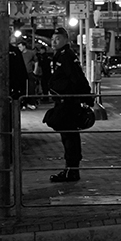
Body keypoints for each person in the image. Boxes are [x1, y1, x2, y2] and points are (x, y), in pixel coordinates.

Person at [46, 28, 90, 183]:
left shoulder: (67, 56)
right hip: (63, 101)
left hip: (68, 103)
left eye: (57, 38)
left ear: (66, 40)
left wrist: (87, 97)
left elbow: (77, 78)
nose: (54, 41)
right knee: (67, 136)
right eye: (52, 39)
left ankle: (72, 170)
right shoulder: (60, 55)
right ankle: (70, 169)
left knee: (69, 136)